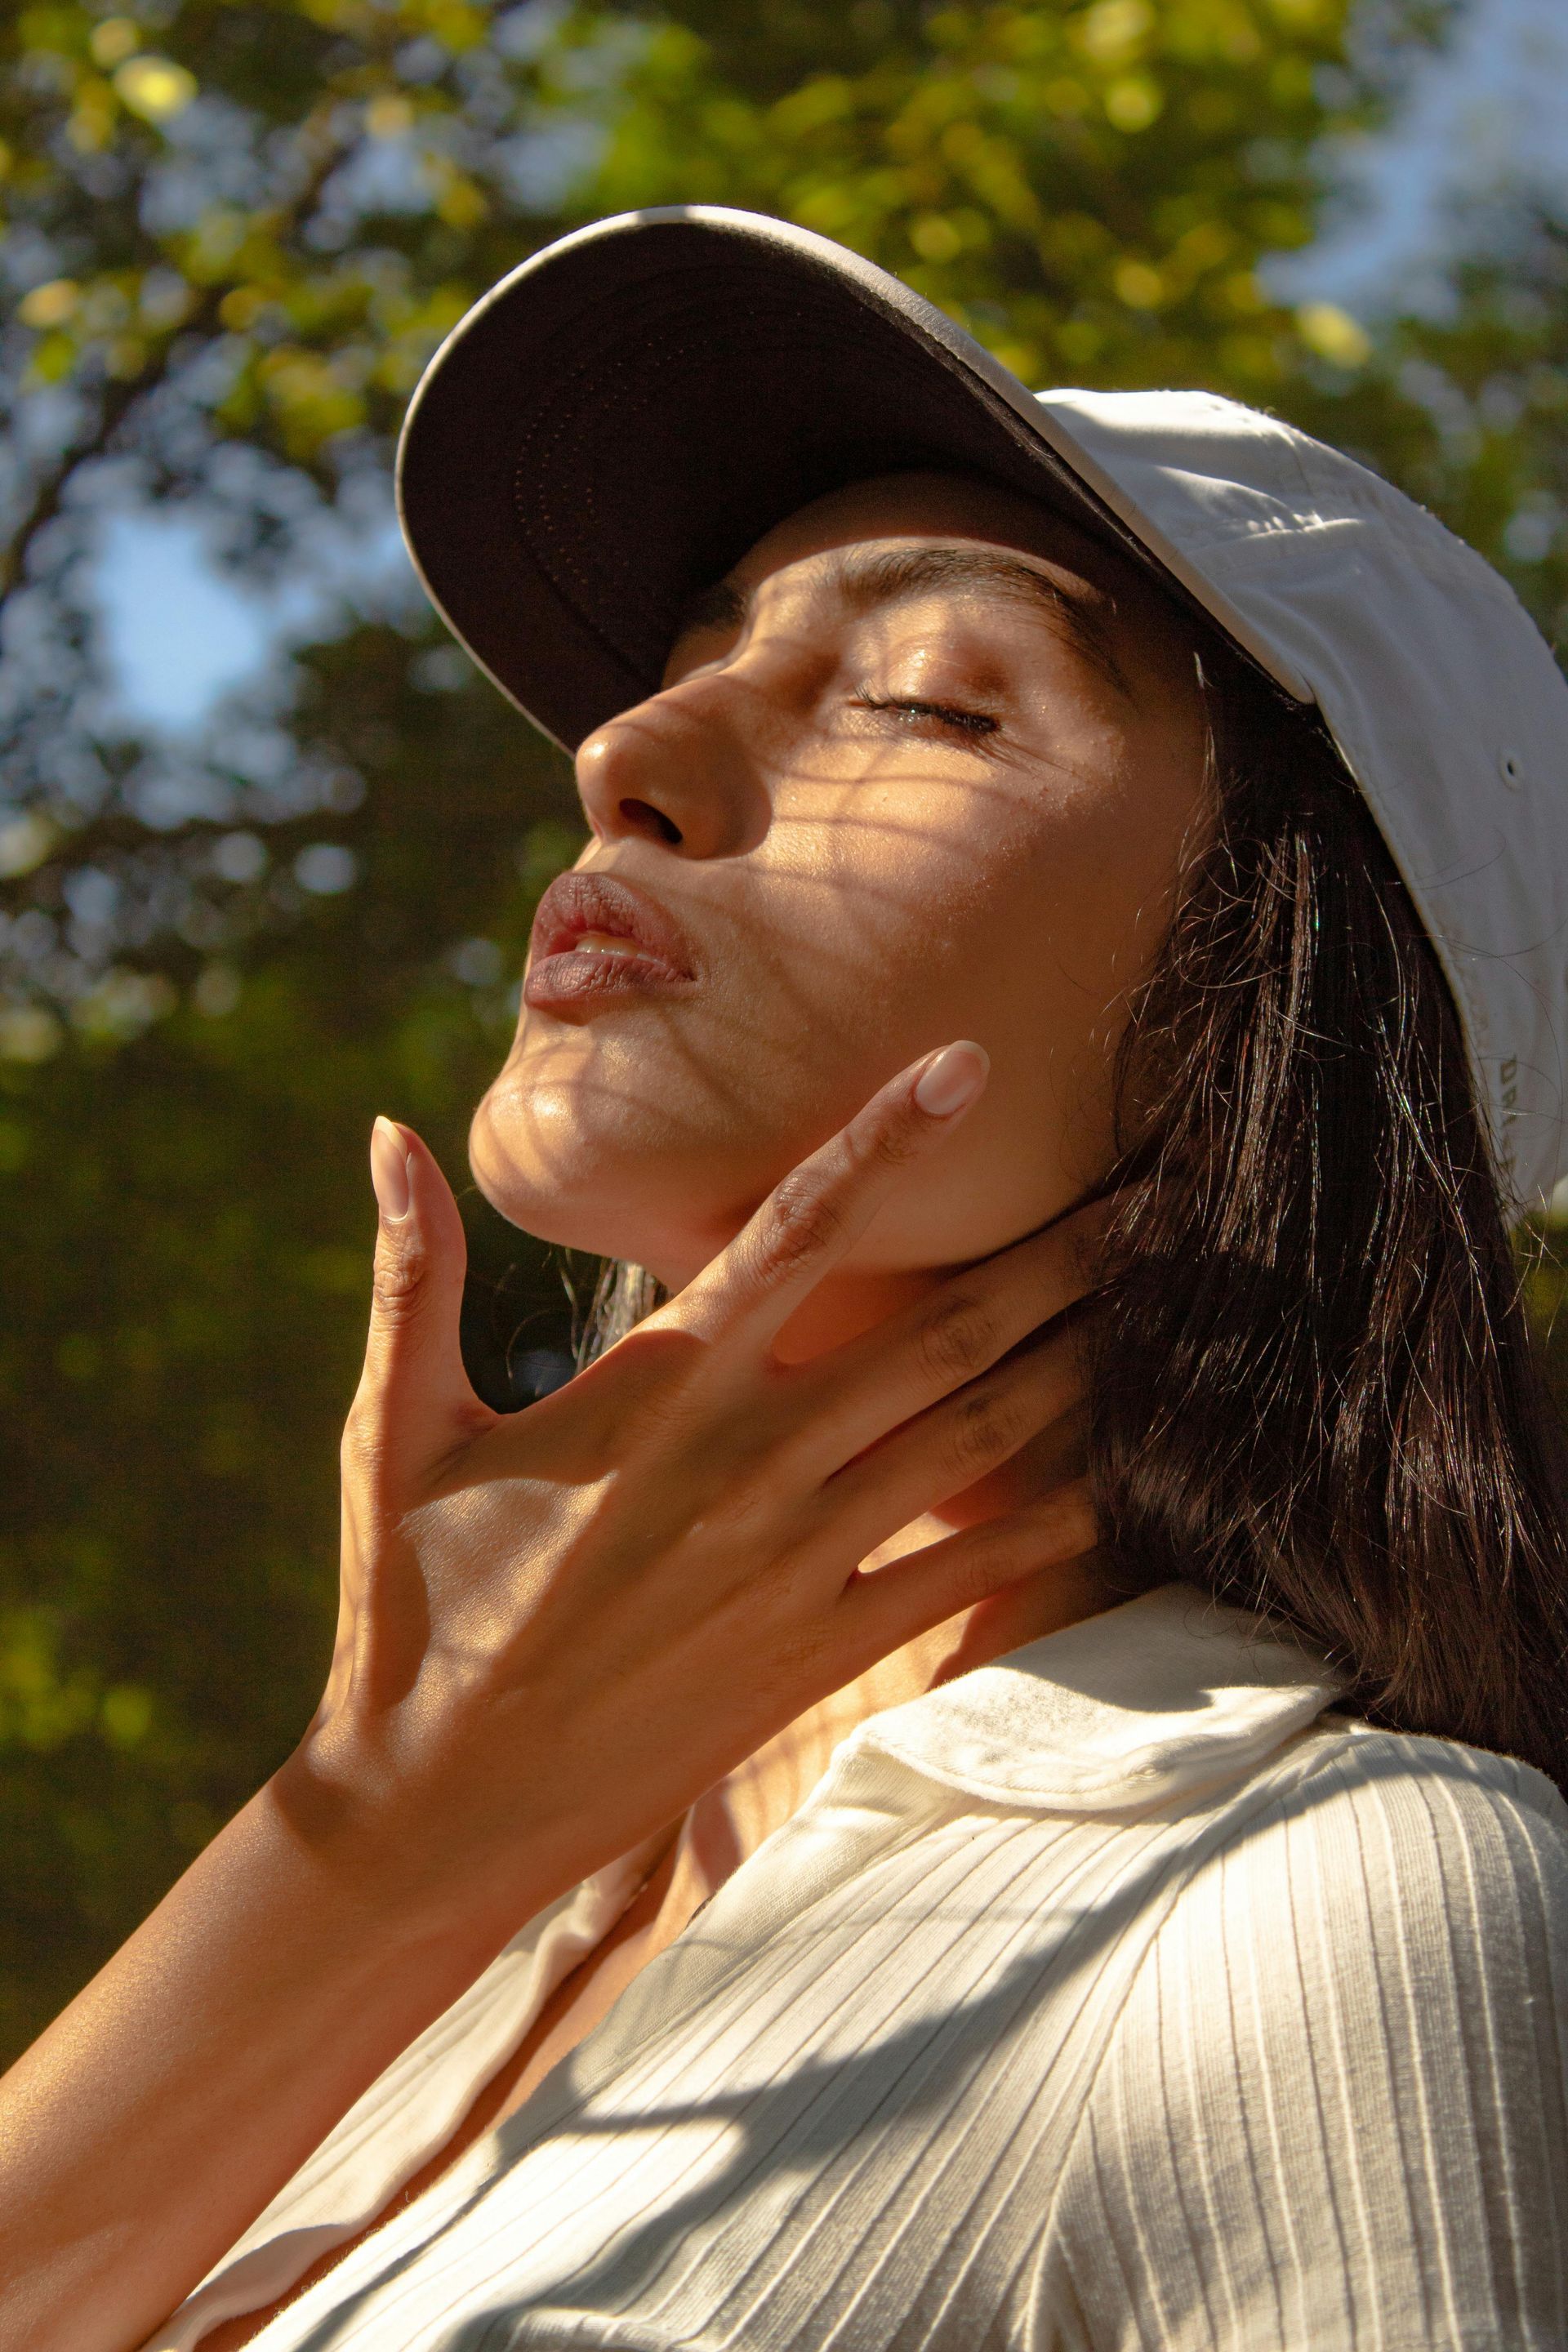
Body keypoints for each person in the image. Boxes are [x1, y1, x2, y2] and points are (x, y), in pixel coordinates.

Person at [4, 208, 1567, 2352]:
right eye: (703, 647)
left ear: (1269, 1025)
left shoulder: (1336, 1899)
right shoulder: (492, 1910)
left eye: (934, 697)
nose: (626, 754)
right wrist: (377, 1840)